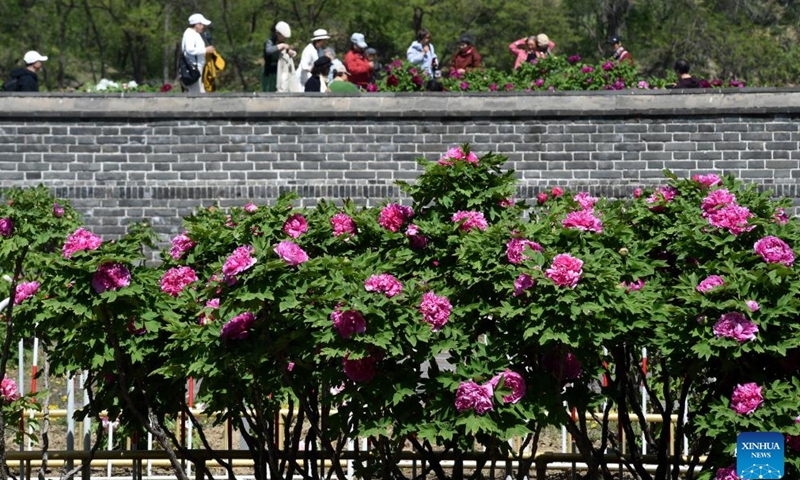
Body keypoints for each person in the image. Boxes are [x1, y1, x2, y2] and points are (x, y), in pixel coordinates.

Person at [182, 13, 216, 94]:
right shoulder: (189, 34)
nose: (203, 26)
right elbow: (190, 49)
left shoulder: (195, 33)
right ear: (196, 24)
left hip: (198, 68)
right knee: (195, 94)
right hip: (193, 68)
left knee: (201, 92)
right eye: (201, 24)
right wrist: (205, 50)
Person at [262, 21, 296, 92]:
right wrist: (281, 46)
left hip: (280, 72)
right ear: (277, 34)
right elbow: (268, 50)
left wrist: (289, 52)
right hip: (270, 73)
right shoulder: (269, 42)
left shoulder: (282, 43)